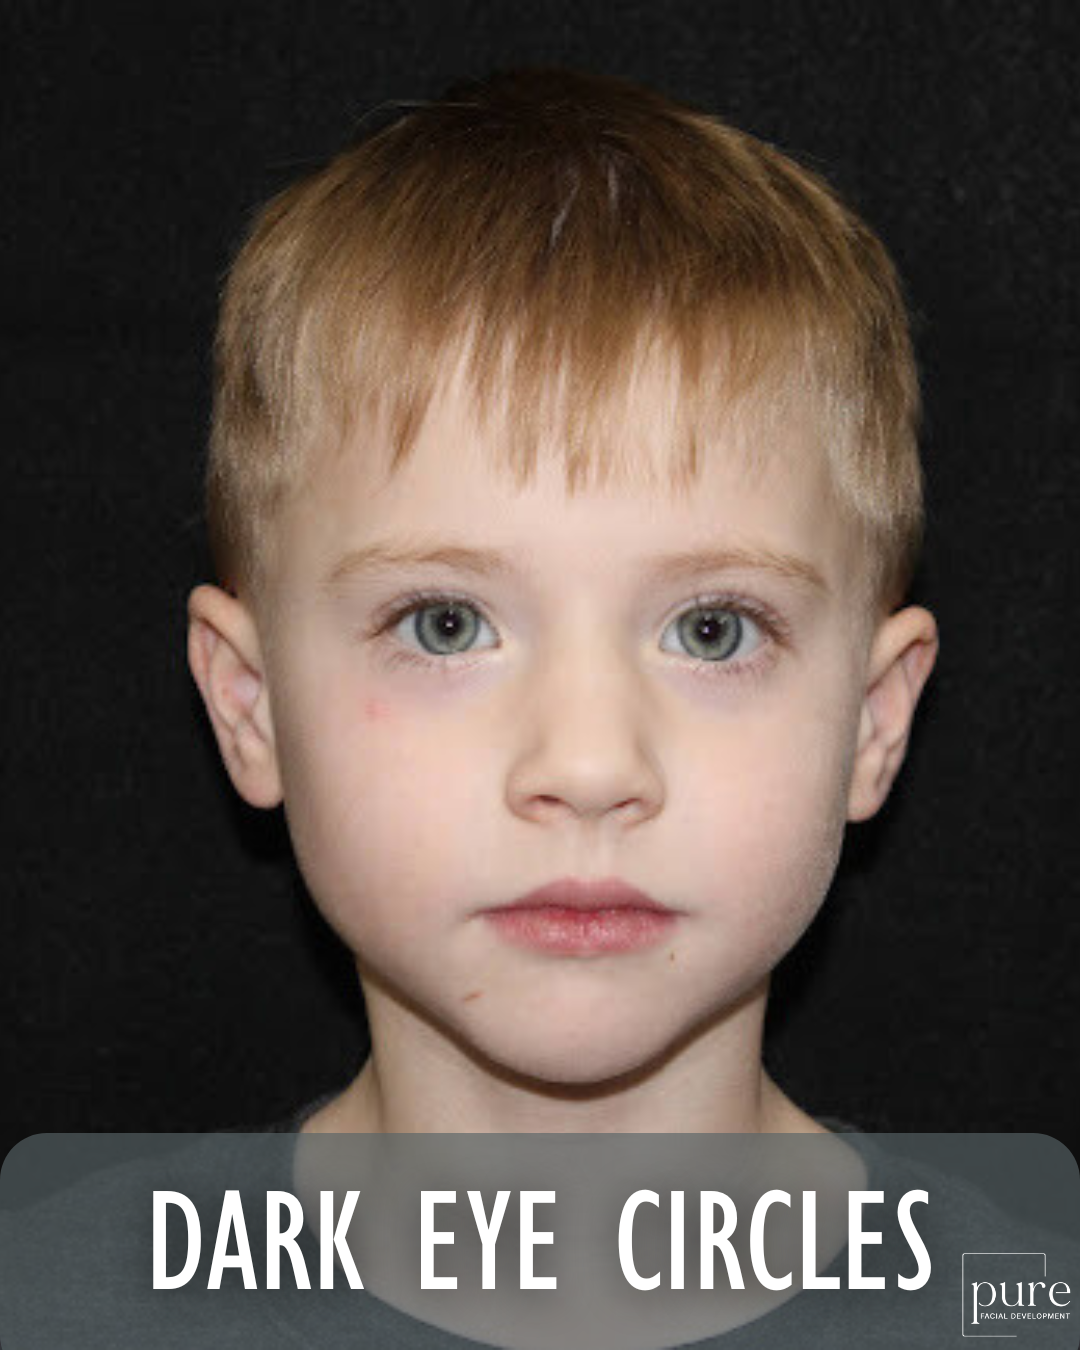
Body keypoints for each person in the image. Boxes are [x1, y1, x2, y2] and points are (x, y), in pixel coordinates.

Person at [186, 67, 938, 1138]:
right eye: (446, 625)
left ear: (873, 720)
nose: (589, 769)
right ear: (251, 704)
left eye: (711, 631)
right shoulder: (64, 1257)